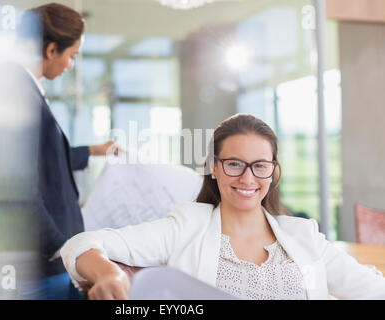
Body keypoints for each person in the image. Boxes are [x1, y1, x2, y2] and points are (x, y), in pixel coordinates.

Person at [60, 113, 385, 300]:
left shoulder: (303, 235)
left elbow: (371, 290)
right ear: (213, 167)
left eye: (260, 165)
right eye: (234, 164)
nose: (247, 178)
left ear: (272, 171)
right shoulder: (186, 226)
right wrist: (107, 275)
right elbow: (81, 245)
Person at [0, 3, 121, 299]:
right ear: (51, 50)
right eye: (72, 56)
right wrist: (63, 250)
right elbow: (19, 190)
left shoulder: (23, 87)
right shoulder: (16, 93)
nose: (70, 65)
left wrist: (94, 150)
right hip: (36, 261)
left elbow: (47, 163)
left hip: (41, 257)